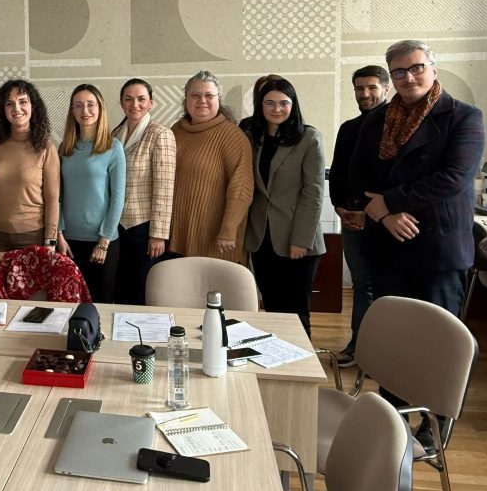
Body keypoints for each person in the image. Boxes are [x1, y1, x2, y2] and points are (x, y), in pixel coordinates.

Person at [349, 39, 485, 451]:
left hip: (438, 247)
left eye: (416, 68)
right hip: (388, 242)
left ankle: (435, 422)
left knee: (437, 340)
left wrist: (389, 201)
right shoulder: (377, 120)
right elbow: (357, 174)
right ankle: (392, 417)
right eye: (399, 71)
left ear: (433, 68)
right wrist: (383, 215)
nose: (408, 77)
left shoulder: (463, 116)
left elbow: (453, 178)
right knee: (394, 337)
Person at [244, 79, 326, 336]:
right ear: (260, 105)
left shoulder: (308, 138)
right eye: (269, 103)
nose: (276, 109)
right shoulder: (252, 136)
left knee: (296, 311)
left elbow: (313, 193)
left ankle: (302, 357)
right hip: (261, 237)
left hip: (297, 237)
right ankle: (276, 355)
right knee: (272, 307)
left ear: (293, 105)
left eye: (283, 103)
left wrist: (300, 240)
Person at [329, 65, 390, 366]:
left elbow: (392, 177)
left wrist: (373, 212)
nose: (365, 94)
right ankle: (359, 347)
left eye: (371, 87)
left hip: (386, 221)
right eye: (359, 88)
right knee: (361, 284)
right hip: (352, 220)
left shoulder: (396, 126)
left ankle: (387, 351)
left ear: (386, 89)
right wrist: (339, 207)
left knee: (388, 286)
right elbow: (338, 172)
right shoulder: (349, 128)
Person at [169, 71, 254, 264]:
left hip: (216, 238)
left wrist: (228, 229)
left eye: (209, 95)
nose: (202, 101)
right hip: (177, 235)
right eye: (195, 95)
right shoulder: (175, 131)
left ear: (218, 99)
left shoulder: (233, 136)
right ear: (186, 100)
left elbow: (241, 187)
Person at [0, 79, 60, 263]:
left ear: (33, 107)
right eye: (9, 103)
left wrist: (50, 242)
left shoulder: (46, 148)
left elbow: (53, 199)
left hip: (32, 237)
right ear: (3, 110)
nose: (17, 108)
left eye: (23, 101)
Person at [57, 84, 126, 303]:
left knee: (101, 305)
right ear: (72, 111)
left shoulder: (113, 147)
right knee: (70, 305)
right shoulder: (65, 148)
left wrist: (104, 241)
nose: (85, 110)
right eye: (78, 105)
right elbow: (57, 195)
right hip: (69, 242)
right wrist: (59, 234)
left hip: (101, 242)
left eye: (90, 104)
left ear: (100, 108)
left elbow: (118, 198)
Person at [111, 78, 176, 305]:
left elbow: (164, 187)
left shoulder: (160, 134)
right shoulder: (114, 134)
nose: (134, 104)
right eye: (128, 99)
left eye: (141, 99)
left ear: (151, 103)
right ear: (122, 103)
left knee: (140, 291)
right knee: (119, 289)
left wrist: (158, 234)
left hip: (143, 228)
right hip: (116, 228)